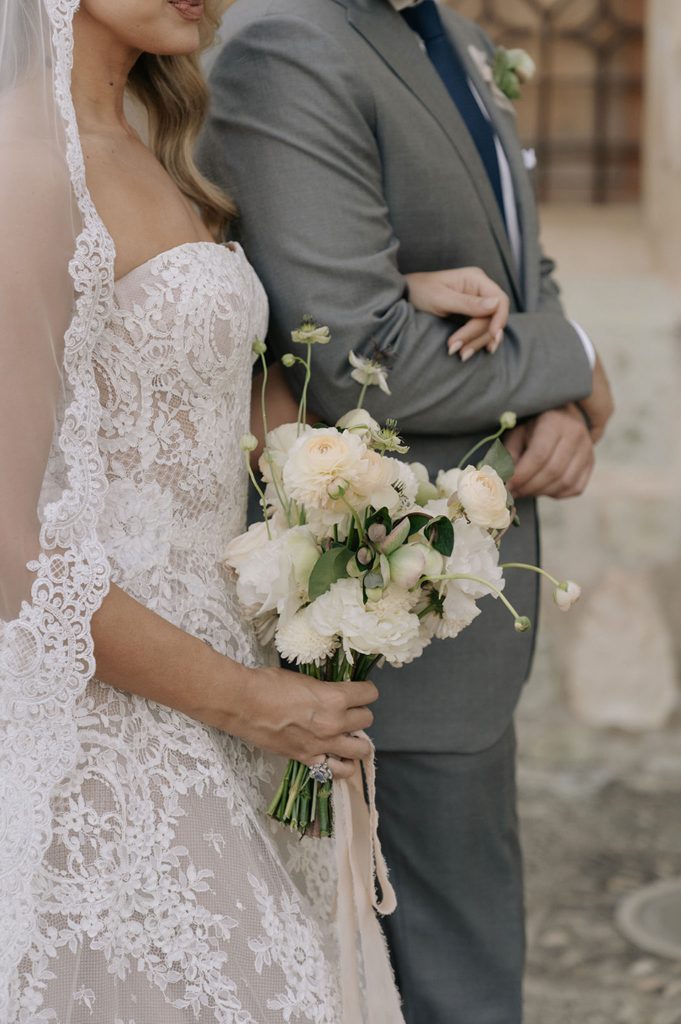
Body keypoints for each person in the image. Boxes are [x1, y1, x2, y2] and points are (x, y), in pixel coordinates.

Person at [198, 1, 615, 1021]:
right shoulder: (285, 41)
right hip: (369, 611)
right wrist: (582, 366)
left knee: (465, 967)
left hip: (466, 596)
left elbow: (519, 275)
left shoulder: (457, 39)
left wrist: (552, 393)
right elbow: (363, 361)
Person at [0, 1, 413, 1019]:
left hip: (236, 683)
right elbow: (11, 550)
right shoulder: (28, 169)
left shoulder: (150, 149)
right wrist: (236, 696)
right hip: (119, 721)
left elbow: (209, 395)